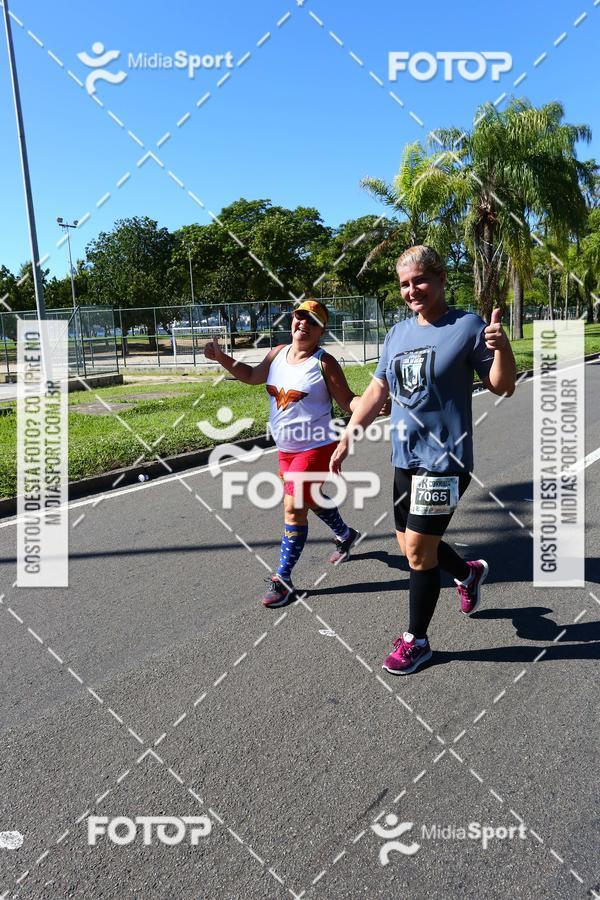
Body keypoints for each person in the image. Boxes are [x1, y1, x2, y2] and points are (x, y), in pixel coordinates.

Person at [330, 246, 516, 674]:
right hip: (405, 456)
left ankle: (418, 640)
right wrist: (347, 437)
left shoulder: (466, 326)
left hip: (445, 460)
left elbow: (501, 386)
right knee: (411, 545)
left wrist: (501, 348)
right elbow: (377, 392)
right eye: (404, 284)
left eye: (419, 280)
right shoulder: (397, 334)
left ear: (441, 278)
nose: (411, 290)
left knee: (416, 551)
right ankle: (467, 574)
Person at [205, 299, 363, 608]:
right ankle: (345, 534)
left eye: (311, 321)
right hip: (286, 449)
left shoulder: (324, 362)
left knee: (293, 508)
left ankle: (283, 579)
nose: (302, 323)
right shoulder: (277, 354)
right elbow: (252, 376)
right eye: (299, 317)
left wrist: (370, 404)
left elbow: (347, 401)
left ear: (321, 331)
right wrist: (222, 357)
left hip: (317, 446)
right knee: (310, 498)